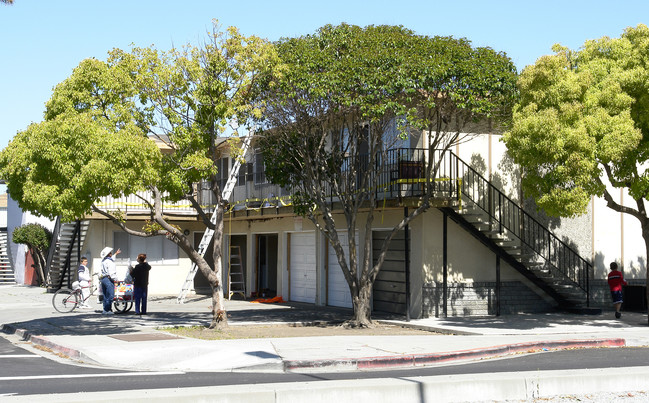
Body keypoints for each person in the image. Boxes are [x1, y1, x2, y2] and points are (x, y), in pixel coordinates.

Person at [100, 246, 121, 315]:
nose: (111, 254)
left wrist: (116, 254)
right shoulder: (110, 262)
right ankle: (107, 309)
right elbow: (112, 273)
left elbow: (112, 258)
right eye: (110, 253)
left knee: (105, 295)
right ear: (109, 254)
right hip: (109, 279)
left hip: (103, 279)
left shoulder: (103, 261)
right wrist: (116, 280)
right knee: (111, 295)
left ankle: (105, 309)